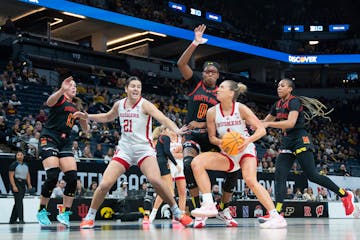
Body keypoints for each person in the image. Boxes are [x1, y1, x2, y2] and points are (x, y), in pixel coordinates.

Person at [75, 76, 192, 229]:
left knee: (156, 181)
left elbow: (162, 118)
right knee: (105, 184)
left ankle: (177, 212)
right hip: (125, 149)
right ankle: (90, 217)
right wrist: (88, 116)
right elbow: (107, 116)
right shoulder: (119, 104)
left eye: (138, 86)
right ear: (126, 89)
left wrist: (176, 130)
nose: (136, 89)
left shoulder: (145, 105)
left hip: (143, 149)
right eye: (133, 86)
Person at [190, 80, 287, 228]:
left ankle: (275, 215)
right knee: (196, 163)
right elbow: (212, 138)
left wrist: (247, 141)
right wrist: (221, 142)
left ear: (231, 93)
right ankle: (209, 203)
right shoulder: (212, 112)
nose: (217, 90)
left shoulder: (240, 108)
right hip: (228, 153)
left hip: (245, 150)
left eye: (221, 87)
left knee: (250, 180)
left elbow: (261, 130)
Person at [260, 78, 355, 221]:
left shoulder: (294, 102)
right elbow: (264, 122)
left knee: (312, 175)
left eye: (282, 85)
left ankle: (345, 195)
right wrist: (247, 122)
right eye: (278, 85)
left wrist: (268, 124)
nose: (279, 88)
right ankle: (276, 213)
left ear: (290, 89)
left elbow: (291, 123)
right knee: (279, 176)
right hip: (287, 141)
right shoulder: (277, 104)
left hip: (300, 139)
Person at [177, 24, 240, 228]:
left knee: (233, 170)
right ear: (203, 74)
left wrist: (204, 122)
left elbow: (225, 116)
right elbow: (181, 63)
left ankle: (223, 208)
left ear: (218, 76)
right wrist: (195, 42)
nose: (209, 74)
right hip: (194, 135)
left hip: (212, 136)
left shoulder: (222, 94)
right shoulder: (196, 83)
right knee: (187, 165)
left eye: (213, 72)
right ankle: (198, 211)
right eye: (207, 71)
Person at [36, 76, 89, 226]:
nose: (74, 88)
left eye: (75, 86)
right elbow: (49, 102)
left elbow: (86, 130)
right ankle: (41, 210)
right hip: (49, 138)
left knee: (72, 178)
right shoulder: (59, 98)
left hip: (65, 143)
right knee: (52, 176)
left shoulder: (75, 106)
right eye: (71, 85)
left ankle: (65, 213)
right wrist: (61, 89)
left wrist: (84, 118)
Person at [147, 126, 183, 224]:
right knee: (170, 191)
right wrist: (176, 164)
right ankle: (177, 215)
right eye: (169, 129)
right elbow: (167, 152)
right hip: (163, 164)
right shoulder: (165, 138)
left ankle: (152, 215)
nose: (170, 131)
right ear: (164, 130)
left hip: (159, 163)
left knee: (165, 191)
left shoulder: (159, 138)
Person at [9, 151, 32, 224]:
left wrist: (29, 184)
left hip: (23, 183)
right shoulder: (13, 165)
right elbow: (11, 176)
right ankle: (21, 219)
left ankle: (12, 220)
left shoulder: (26, 164)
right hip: (16, 182)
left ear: (23, 156)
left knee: (17, 202)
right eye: (18, 155)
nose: (20, 156)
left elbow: (27, 175)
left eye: (21, 155)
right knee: (19, 202)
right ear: (16, 156)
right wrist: (14, 186)